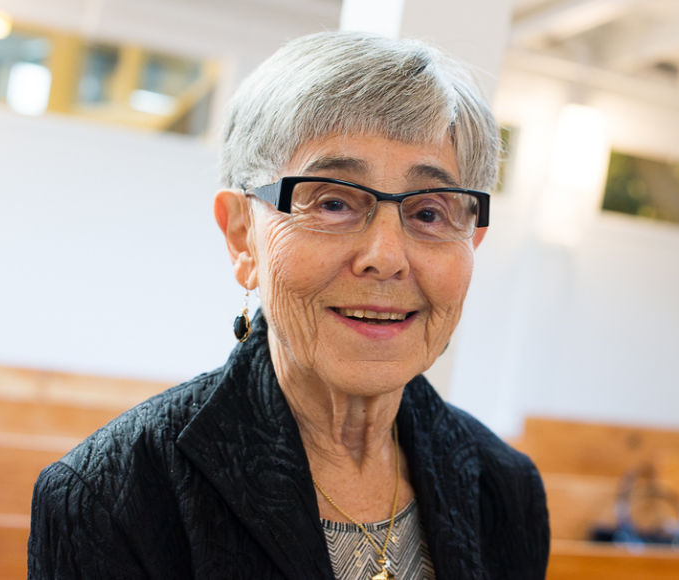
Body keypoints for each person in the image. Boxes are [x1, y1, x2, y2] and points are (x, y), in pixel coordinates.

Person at [28, 31, 549, 580]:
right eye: (333, 201)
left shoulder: (504, 487)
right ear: (241, 236)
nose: (387, 258)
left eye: (428, 213)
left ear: (473, 243)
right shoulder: (112, 498)